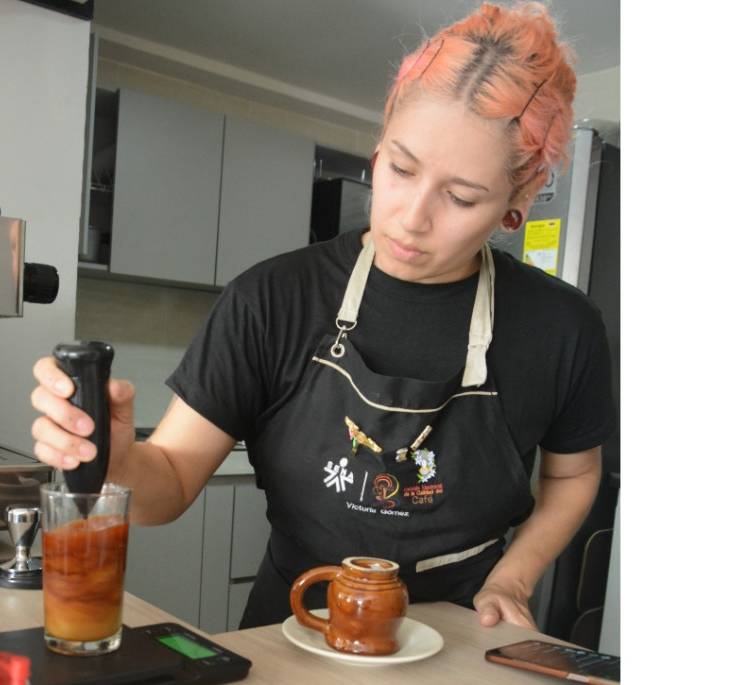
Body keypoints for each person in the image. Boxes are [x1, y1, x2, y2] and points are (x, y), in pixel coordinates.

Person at [30, 1, 615, 631]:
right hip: (298, 624)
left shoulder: (562, 328)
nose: (411, 217)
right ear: (379, 141)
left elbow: (577, 473)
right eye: (401, 168)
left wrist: (514, 577)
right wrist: (118, 465)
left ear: (517, 200)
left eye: (461, 196)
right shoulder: (272, 299)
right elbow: (169, 478)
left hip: (463, 628)